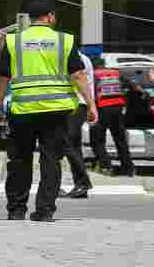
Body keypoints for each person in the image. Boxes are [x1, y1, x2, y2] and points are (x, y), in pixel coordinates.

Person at [0, 0, 97, 221]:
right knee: (51, 159)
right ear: (50, 17)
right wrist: (91, 104)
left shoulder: (14, 41)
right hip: (56, 111)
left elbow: (3, 77)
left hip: (22, 110)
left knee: (19, 160)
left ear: (30, 20)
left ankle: (17, 210)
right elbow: (78, 75)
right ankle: (45, 210)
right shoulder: (65, 41)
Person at [89, 57, 134, 176]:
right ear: (104, 64)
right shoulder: (116, 73)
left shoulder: (93, 75)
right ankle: (128, 168)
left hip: (102, 109)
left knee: (97, 140)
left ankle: (106, 166)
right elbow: (132, 86)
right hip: (117, 110)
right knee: (120, 140)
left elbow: (90, 92)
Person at [60, 46, 94, 198]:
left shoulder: (75, 59)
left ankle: (83, 182)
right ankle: (80, 185)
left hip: (76, 103)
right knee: (73, 144)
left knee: (66, 142)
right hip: (79, 104)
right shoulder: (83, 58)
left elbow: (78, 78)